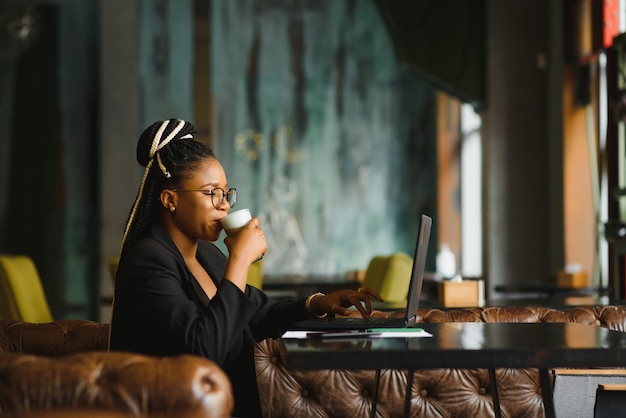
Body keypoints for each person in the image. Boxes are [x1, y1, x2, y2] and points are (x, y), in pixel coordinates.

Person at [109, 118, 383, 418]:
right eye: (211, 192)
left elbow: (258, 313)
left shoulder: (207, 255)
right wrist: (239, 260)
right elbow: (202, 351)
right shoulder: (147, 261)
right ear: (170, 199)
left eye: (226, 193)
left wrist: (317, 302)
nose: (224, 205)